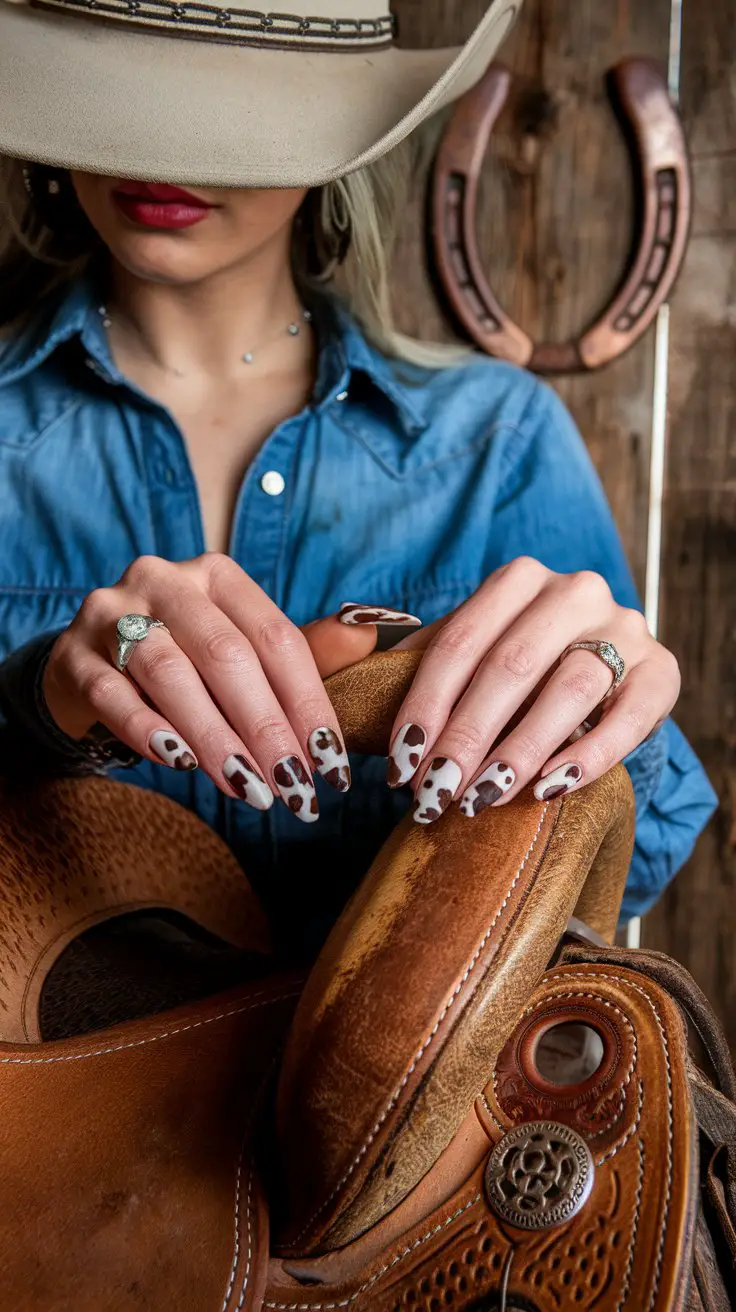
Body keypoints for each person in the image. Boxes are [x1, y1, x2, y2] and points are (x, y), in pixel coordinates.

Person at [0, 0, 717, 953]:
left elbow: (643, 850)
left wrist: (612, 714)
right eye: (120, 90)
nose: (159, 152)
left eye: (233, 101)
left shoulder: (495, 441)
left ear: (339, 139)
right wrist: (39, 704)